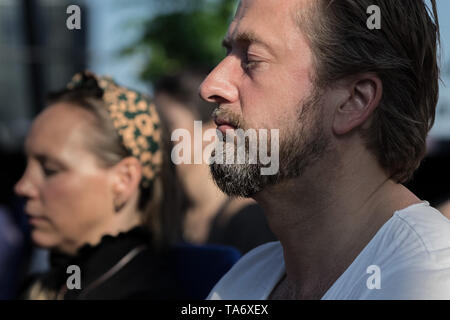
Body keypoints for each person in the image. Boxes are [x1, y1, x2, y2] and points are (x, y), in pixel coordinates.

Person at [200, 0, 450, 299]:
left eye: (252, 58)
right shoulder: (247, 277)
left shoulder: (426, 279)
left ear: (353, 101)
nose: (211, 84)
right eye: (228, 51)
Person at [15, 71, 185, 299]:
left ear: (123, 180)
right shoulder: (50, 284)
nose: (22, 187)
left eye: (50, 170)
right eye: (26, 166)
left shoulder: (146, 292)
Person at [154, 70, 276, 254]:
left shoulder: (250, 220)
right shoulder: (169, 216)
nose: (156, 137)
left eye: (168, 125)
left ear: (211, 131)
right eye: (154, 126)